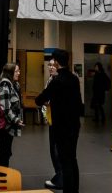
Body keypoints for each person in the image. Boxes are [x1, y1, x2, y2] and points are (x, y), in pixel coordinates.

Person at [36, 50, 83, 193]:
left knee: (65, 160)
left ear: (56, 62)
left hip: (61, 127)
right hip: (74, 125)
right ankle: (74, 189)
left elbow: (40, 99)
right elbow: (78, 104)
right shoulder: (74, 79)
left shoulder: (57, 81)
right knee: (72, 158)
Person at [0, 63, 24, 167]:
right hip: (5, 126)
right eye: (16, 71)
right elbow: (5, 108)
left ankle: (2, 177)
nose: (19, 73)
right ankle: (1, 178)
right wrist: (16, 120)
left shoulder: (14, 84)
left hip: (10, 125)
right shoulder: (5, 85)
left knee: (6, 152)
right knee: (4, 152)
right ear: (10, 73)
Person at [43, 59, 63, 190]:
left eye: (53, 65)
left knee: (56, 149)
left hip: (58, 120)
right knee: (55, 148)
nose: (50, 67)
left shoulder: (57, 81)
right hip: (53, 118)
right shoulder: (51, 79)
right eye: (49, 65)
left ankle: (60, 178)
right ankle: (60, 176)